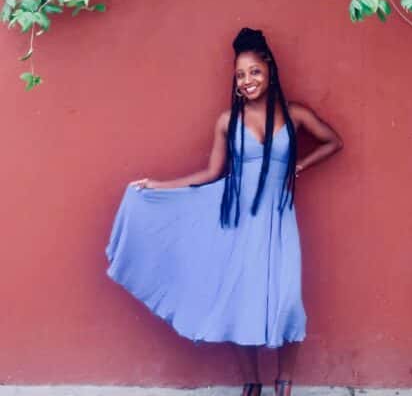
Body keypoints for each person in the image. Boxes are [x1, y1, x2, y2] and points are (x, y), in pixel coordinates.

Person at [106, 27, 343, 396]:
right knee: (241, 299)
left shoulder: (294, 114)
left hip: (278, 221)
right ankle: (252, 383)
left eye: (254, 72)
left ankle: (284, 383)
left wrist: (300, 166)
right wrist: (157, 186)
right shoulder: (226, 121)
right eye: (240, 75)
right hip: (237, 221)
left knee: (288, 300)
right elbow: (211, 173)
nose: (248, 80)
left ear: (269, 70)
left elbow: (333, 141)